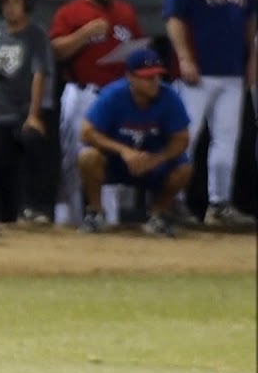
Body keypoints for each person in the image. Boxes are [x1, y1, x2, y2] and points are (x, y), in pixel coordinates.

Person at [163, 0, 257, 227]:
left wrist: (252, 55)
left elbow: (248, 17)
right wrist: (185, 57)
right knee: (184, 137)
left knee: (227, 138)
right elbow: (174, 18)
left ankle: (218, 205)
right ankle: (172, 201)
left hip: (231, 70)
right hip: (197, 72)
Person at [49, 0, 144, 227]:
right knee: (73, 157)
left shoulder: (125, 12)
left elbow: (139, 48)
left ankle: (107, 219)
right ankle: (67, 219)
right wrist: (85, 34)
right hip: (82, 92)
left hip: (116, 93)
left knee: (111, 158)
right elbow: (55, 51)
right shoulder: (71, 12)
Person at [78, 49, 192, 237]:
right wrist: (124, 151)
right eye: (147, 77)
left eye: (156, 76)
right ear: (130, 77)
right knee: (88, 157)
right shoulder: (114, 95)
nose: (154, 82)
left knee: (184, 168)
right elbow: (86, 133)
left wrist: (157, 158)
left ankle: (158, 215)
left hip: (152, 162)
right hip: (117, 162)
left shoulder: (169, 97)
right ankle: (96, 213)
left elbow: (182, 139)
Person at [0, 0, 56, 225]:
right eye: (6, 2)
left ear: (26, 5)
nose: (11, 7)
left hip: (21, 108)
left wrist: (34, 114)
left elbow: (39, 74)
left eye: (16, 1)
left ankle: (35, 208)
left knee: (33, 145)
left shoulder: (36, 34)